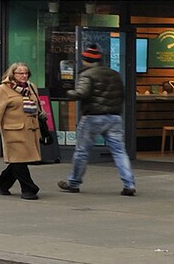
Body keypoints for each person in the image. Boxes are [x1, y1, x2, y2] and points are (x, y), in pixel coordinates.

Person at [58, 43, 136, 196]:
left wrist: (69, 93)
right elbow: (122, 94)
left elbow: (82, 93)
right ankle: (129, 184)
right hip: (114, 117)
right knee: (119, 151)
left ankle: (73, 182)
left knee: (82, 152)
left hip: (93, 117)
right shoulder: (114, 74)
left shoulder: (87, 74)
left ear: (85, 60)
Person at [0, 60, 44, 198]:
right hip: (13, 131)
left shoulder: (31, 87)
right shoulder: (2, 90)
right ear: (12, 74)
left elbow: (38, 107)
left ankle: (2, 183)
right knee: (19, 160)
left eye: (26, 73)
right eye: (20, 73)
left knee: (19, 160)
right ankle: (28, 189)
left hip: (30, 130)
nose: (24, 76)